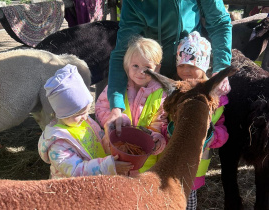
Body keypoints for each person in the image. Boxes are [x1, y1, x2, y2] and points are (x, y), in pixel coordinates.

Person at [105, 0, 232, 138]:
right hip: (152, 76)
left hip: (188, 72)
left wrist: (221, 67)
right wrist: (116, 106)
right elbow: (123, 49)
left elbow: (219, 23)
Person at [38, 64, 133, 179]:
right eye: (79, 114)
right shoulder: (58, 143)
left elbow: (98, 141)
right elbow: (75, 171)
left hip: (95, 180)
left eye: (87, 111)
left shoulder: (83, 121)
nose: (85, 116)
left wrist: (109, 139)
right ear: (63, 114)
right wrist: (107, 166)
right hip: (72, 190)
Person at [95, 37, 168, 173]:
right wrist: (113, 120)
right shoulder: (118, 87)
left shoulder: (161, 93)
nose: (141, 72)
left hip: (145, 160)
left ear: (157, 68)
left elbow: (161, 121)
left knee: (140, 190)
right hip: (115, 151)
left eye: (147, 67)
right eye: (135, 66)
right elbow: (100, 107)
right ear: (127, 65)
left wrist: (156, 138)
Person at [174, 31, 229, 209]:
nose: (186, 70)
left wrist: (213, 137)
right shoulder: (175, 90)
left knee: (189, 197)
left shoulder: (216, 95)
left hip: (197, 161)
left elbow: (221, 126)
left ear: (205, 65)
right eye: (181, 65)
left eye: (192, 65)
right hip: (173, 156)